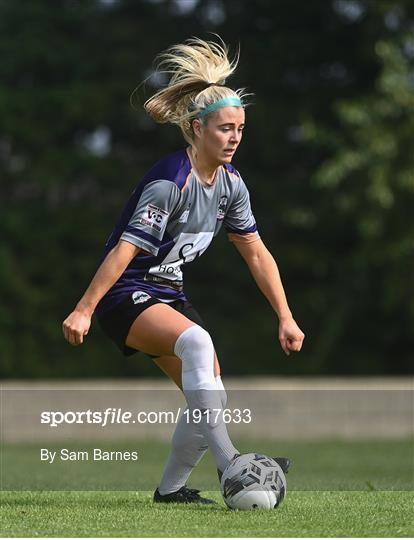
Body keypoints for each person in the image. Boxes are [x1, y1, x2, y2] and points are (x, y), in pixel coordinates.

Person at [62, 37, 305, 504]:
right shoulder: (170, 182)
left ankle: (170, 492)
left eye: (239, 129)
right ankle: (232, 462)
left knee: (210, 399)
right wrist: (84, 309)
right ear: (197, 128)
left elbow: (255, 251)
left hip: (167, 294)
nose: (234, 137)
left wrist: (286, 315)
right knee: (197, 341)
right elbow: (124, 250)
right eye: (224, 129)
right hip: (124, 294)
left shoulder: (232, 185)